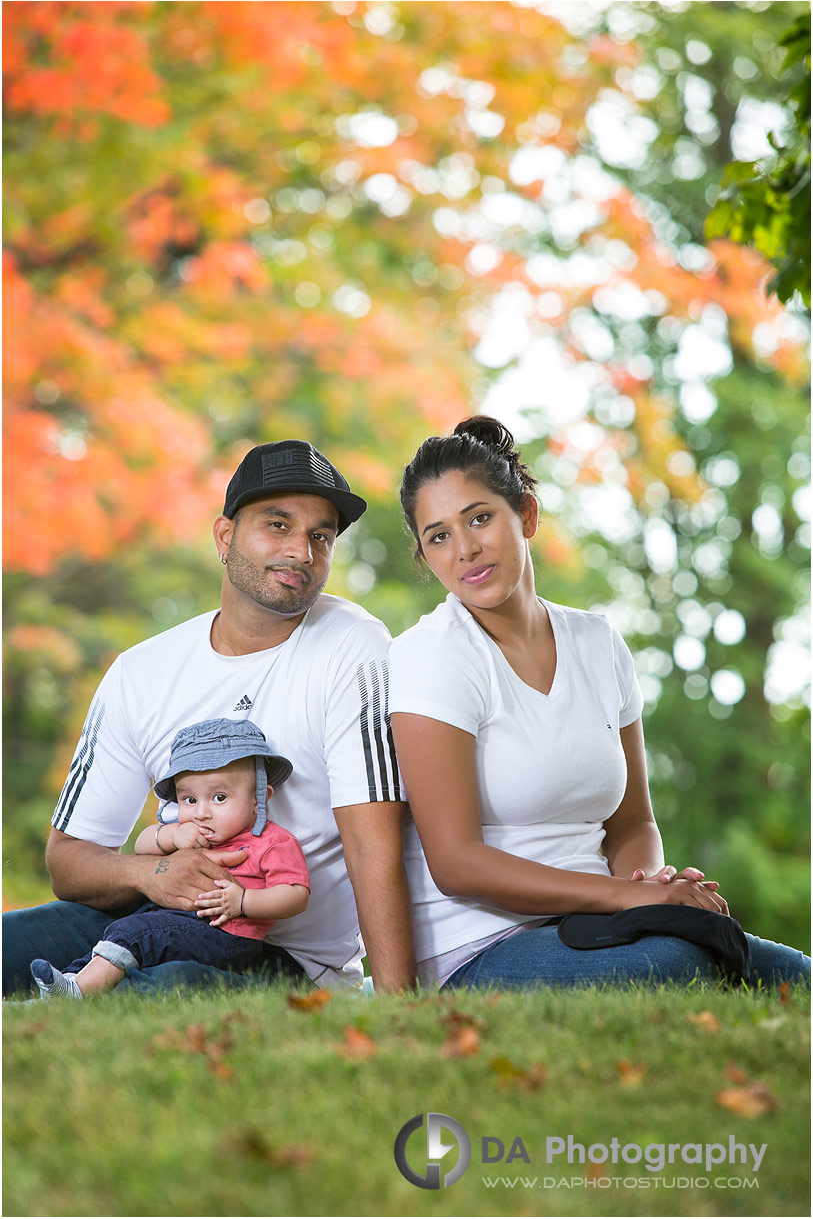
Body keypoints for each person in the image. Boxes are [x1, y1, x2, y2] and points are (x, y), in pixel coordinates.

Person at [388, 416, 811, 991]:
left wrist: (651, 885)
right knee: (683, 965)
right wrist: (625, 897)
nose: (464, 550)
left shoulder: (597, 642)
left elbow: (632, 820)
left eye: (479, 518)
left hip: (597, 921)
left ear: (527, 516)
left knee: (794, 975)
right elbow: (456, 863)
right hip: (480, 945)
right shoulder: (431, 656)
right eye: (438, 536)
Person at [4, 439, 414, 997]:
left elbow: (375, 844)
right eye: (277, 524)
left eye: (321, 536)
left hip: (281, 953)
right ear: (225, 537)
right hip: (147, 916)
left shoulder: (353, 645)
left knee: (157, 992)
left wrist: (397, 1005)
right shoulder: (140, 672)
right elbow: (68, 862)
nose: (302, 550)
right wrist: (154, 875)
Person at [30, 718, 310, 1000]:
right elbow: (141, 845)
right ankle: (69, 983)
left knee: (136, 933)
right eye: (189, 800)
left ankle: (81, 991)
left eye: (220, 797)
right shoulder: (186, 832)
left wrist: (243, 901)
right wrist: (172, 836)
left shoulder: (272, 842)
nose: (201, 812)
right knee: (118, 932)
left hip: (228, 935)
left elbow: (296, 894)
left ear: (257, 799)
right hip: (175, 919)